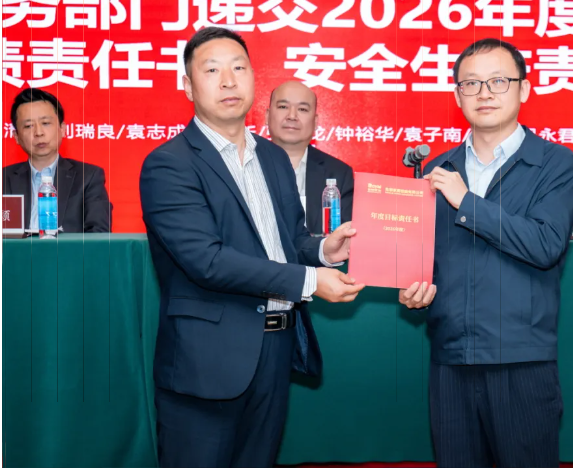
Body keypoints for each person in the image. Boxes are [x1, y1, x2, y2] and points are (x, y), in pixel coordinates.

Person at [139, 27, 364, 468]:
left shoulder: (273, 157)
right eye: (212, 70)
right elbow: (207, 261)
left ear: (253, 79)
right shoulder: (169, 164)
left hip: (275, 352)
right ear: (188, 86)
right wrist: (310, 280)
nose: (228, 80)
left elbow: (289, 241)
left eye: (238, 68)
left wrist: (324, 252)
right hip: (207, 361)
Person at [399, 38, 573, 468]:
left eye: (498, 81)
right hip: (451, 356)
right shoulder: (437, 171)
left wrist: (466, 202)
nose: (484, 93)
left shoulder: (556, 164)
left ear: (524, 89)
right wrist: (412, 290)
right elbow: (425, 258)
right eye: (471, 83)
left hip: (520, 359)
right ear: (457, 95)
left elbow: (545, 245)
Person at [3, 88, 112, 233]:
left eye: (46, 123)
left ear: (62, 129)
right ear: (16, 136)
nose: (39, 133)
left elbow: (99, 234)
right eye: (28, 126)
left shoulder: (88, 177)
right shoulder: (3, 179)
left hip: (68, 249)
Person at [267, 80, 354, 234]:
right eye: (283, 107)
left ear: (315, 121)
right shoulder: (244, 164)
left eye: (302, 109)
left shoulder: (339, 174)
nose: (292, 116)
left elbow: (344, 237)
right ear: (267, 115)